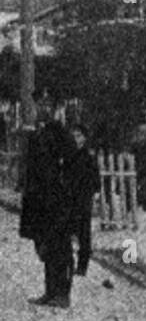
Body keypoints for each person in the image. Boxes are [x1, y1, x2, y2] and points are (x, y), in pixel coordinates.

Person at [19, 120, 77, 308]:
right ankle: (50, 291)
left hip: (59, 199)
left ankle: (63, 294)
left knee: (62, 247)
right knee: (46, 245)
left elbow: (70, 166)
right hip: (41, 199)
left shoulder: (62, 134)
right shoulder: (36, 135)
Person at [67, 125, 100, 277]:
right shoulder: (69, 155)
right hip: (70, 197)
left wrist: (95, 194)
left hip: (84, 198)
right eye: (73, 136)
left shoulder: (88, 156)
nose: (76, 139)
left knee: (84, 235)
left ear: (84, 138)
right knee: (67, 232)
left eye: (79, 136)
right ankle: (68, 264)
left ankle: (82, 266)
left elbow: (95, 177)